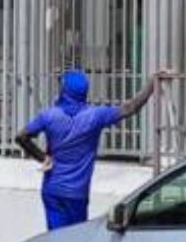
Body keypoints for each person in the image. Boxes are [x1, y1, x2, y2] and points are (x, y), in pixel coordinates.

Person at [14, 69, 170, 230]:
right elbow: (130, 108)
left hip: (53, 190)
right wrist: (152, 83)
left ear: (64, 91)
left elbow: (21, 137)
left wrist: (43, 158)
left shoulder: (49, 116)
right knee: (77, 238)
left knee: (56, 238)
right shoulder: (95, 116)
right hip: (77, 193)